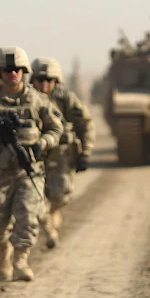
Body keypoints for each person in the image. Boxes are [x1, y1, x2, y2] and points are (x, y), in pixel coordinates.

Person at [0, 46, 63, 281]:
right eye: (7, 70)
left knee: (27, 217)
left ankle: (20, 260)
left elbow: (56, 127)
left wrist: (43, 143)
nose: (12, 73)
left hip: (30, 171)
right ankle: (2, 250)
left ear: (24, 71)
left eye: (16, 69)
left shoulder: (37, 99)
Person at [30, 57, 95, 248]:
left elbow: (85, 124)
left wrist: (86, 151)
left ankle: (51, 214)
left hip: (61, 156)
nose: (44, 84)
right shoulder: (26, 99)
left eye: (49, 80)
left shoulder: (66, 100)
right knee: (34, 194)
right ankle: (47, 225)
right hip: (33, 155)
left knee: (59, 196)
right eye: (40, 80)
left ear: (56, 82)